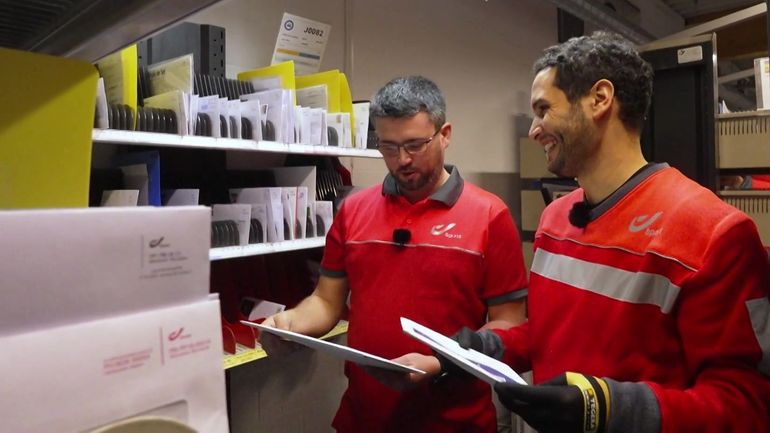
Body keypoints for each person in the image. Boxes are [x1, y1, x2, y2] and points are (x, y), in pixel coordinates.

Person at [447, 31, 770, 433]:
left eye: (544, 109)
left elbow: (746, 406)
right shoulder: (556, 219)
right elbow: (552, 333)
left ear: (600, 99)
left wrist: (610, 409)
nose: (534, 130)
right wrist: (489, 348)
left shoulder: (713, 233)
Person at [259, 75, 528, 433]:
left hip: (455, 422)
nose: (402, 160)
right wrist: (290, 324)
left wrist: (441, 362)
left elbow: (508, 324)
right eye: (388, 147)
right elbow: (326, 301)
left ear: (445, 134)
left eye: (416, 145)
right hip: (363, 419)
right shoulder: (353, 210)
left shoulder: (489, 216)